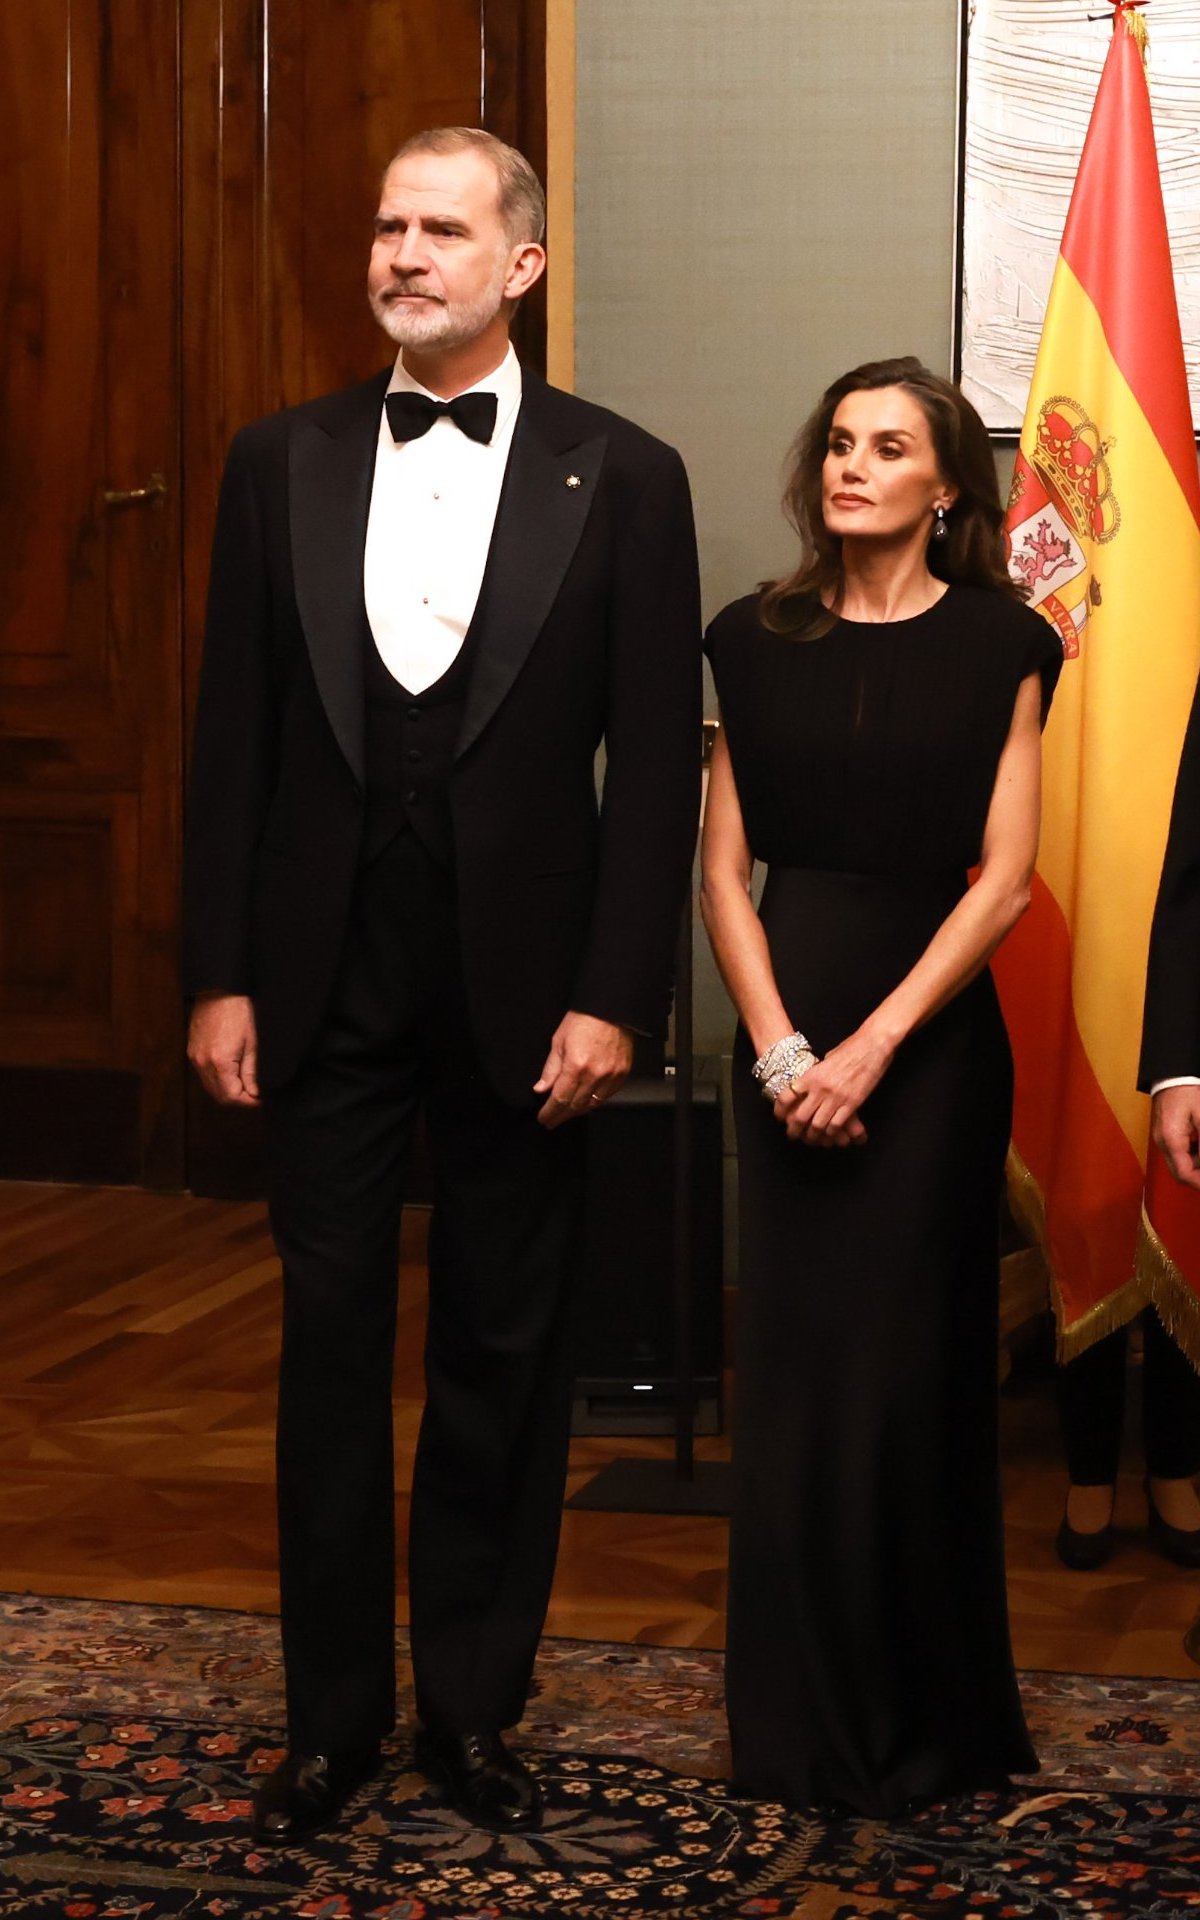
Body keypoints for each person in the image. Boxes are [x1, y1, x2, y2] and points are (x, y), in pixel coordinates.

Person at [184, 126, 701, 1844]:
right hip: (318, 981)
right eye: (386, 224)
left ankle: (473, 1709)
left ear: (521, 265)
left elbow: (653, 773)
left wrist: (620, 995)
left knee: (504, 1347)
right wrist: (217, 979)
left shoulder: (626, 475)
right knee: (327, 1353)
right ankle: (332, 1720)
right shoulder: (282, 459)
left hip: (528, 990)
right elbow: (234, 747)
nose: (402, 253)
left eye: (441, 229)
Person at [700, 356, 1060, 1818]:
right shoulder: (745, 635)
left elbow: (1008, 880)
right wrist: (786, 1046)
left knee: (909, 1390)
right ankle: (790, 1732)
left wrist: (874, 1046)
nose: (852, 466)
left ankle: (929, 1726)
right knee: (791, 1391)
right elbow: (723, 871)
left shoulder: (1007, 643)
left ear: (945, 485)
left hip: (930, 1054)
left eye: (888, 446)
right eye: (839, 443)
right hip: (782, 1029)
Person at [1055, 674, 1200, 1575]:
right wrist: (1184, 1062)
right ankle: (1105, 1466)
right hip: (1103, 956)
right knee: (1096, 1194)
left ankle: (1177, 1465)